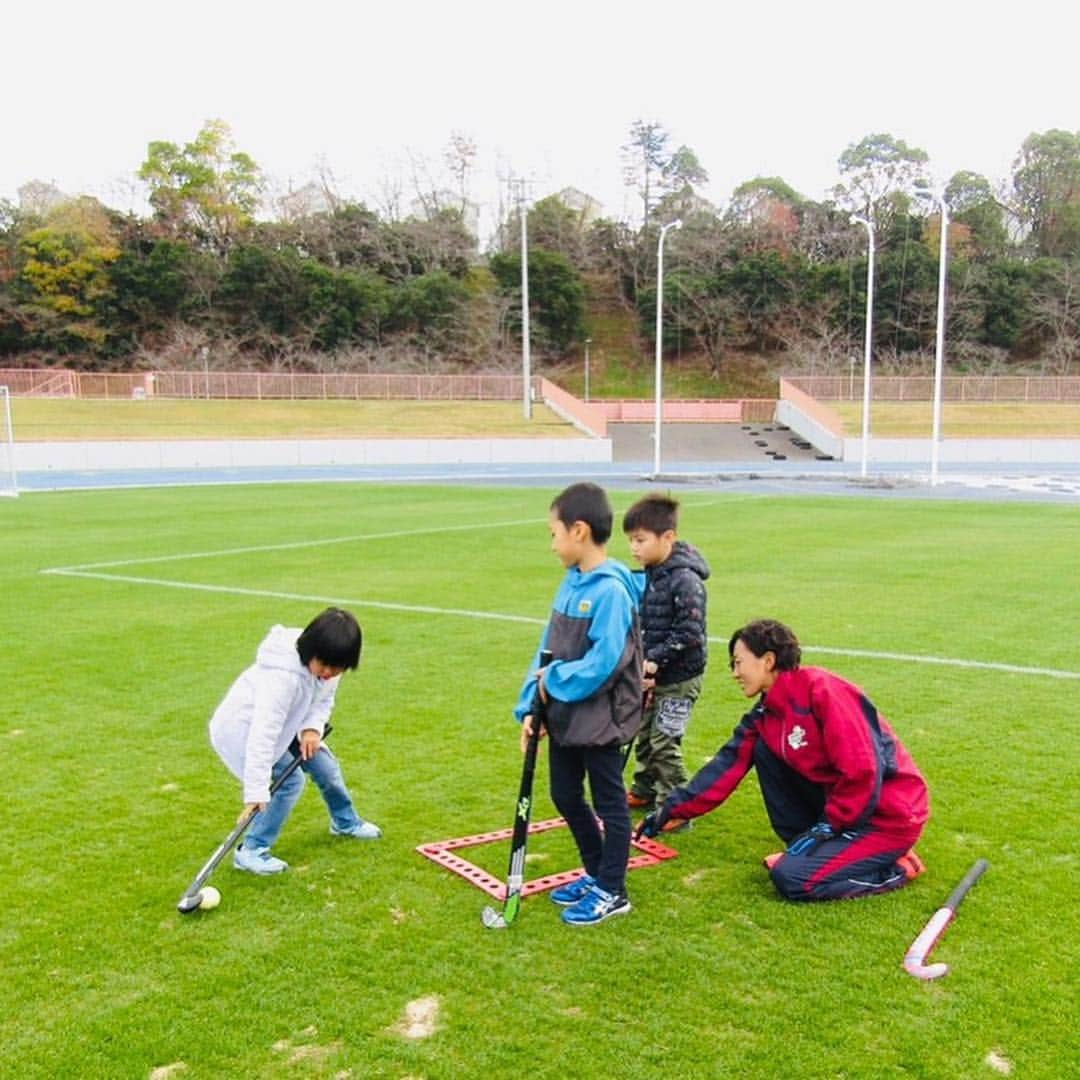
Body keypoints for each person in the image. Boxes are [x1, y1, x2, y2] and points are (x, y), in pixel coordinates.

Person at [639, 619, 929, 902]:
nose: (734, 674)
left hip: (886, 816)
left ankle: (897, 867)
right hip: (845, 810)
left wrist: (828, 827)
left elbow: (863, 768)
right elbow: (725, 767)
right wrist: (673, 808)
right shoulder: (764, 713)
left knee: (791, 880)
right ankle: (815, 849)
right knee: (763, 749)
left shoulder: (823, 690)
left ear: (767, 660)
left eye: (738, 662)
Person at [514, 482, 644, 925]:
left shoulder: (611, 592)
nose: (552, 545)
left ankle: (614, 889)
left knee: (609, 802)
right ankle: (596, 872)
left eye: (554, 533)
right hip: (567, 714)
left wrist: (555, 681)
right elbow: (546, 651)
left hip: (602, 719)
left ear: (579, 531)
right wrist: (534, 706)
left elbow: (605, 662)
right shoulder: (569, 585)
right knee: (565, 794)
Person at [209, 607, 381, 875]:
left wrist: (312, 729)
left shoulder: (329, 669)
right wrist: (256, 790)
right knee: (290, 782)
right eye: (324, 665)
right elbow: (263, 733)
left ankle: (345, 823)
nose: (329, 673)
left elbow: (322, 699)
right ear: (310, 650)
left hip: (291, 722)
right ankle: (251, 850)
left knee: (325, 766)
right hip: (242, 730)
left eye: (337, 669)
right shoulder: (282, 678)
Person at [622, 494, 709, 828]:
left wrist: (656, 659)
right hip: (654, 674)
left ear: (668, 538)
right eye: (631, 541)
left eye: (641, 540)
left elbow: (690, 633)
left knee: (664, 740)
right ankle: (644, 789)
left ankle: (676, 809)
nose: (634, 548)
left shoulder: (685, 580)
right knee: (644, 733)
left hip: (680, 677)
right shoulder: (653, 574)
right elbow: (649, 624)